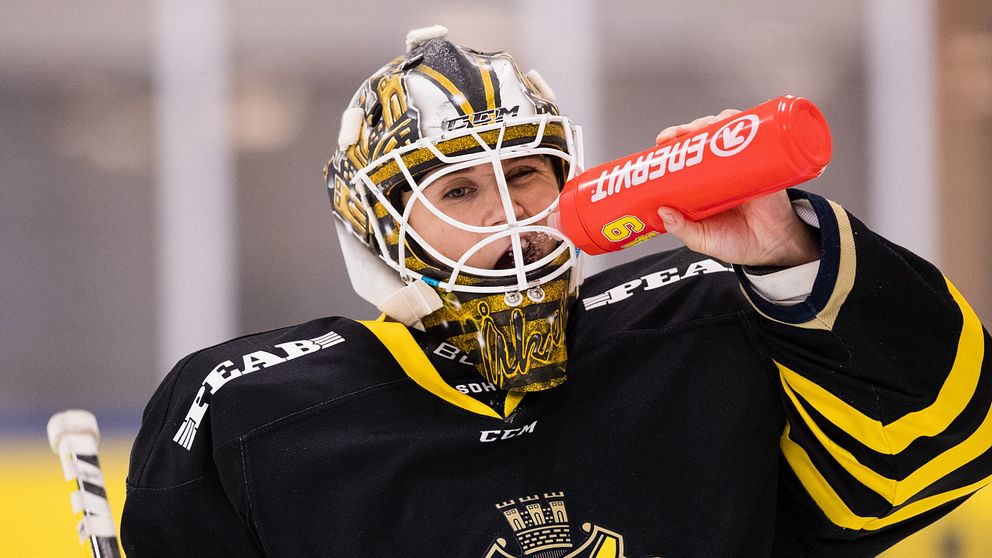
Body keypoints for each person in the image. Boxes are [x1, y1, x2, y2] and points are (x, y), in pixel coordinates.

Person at [121, 26, 992, 557]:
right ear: (380, 225)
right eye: (457, 191)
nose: (511, 213)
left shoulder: (708, 318)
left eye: (528, 176)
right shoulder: (245, 413)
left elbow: (944, 443)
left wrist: (783, 255)